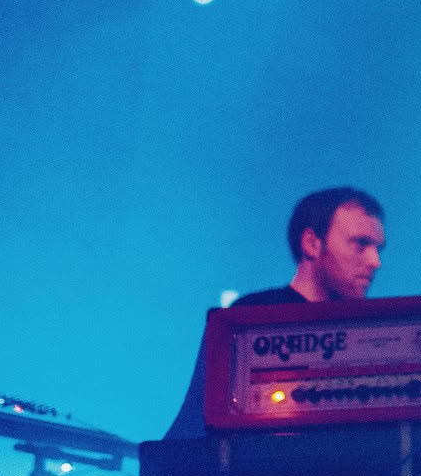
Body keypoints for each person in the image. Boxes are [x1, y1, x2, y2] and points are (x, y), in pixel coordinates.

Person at [161, 187, 386, 440]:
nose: (374, 261)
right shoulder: (250, 315)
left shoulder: (366, 331)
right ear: (312, 243)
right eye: (361, 244)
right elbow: (197, 425)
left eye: (378, 248)